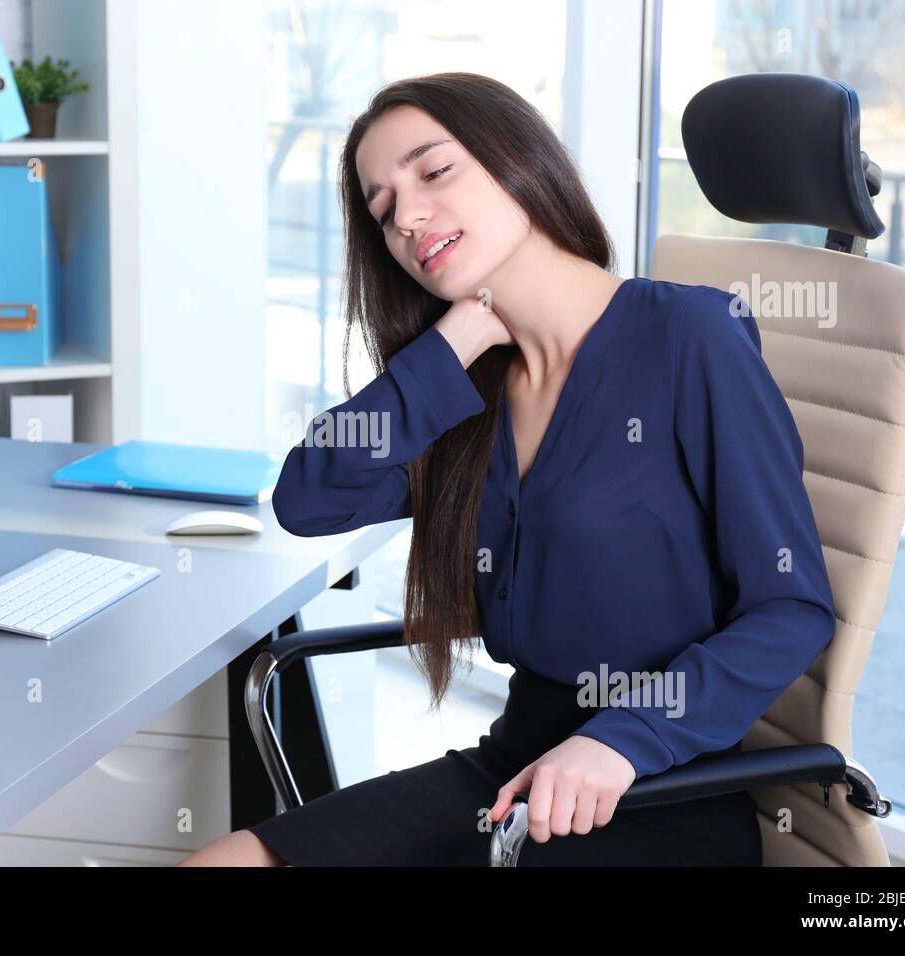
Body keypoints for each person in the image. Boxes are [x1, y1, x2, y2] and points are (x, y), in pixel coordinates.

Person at [178, 72, 836, 867]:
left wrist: (621, 742)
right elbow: (310, 496)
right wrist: (449, 347)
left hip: (650, 791)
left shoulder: (690, 336)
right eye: (384, 211)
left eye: (434, 171)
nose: (409, 216)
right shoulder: (465, 393)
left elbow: (791, 607)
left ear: (516, 159)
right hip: (508, 776)